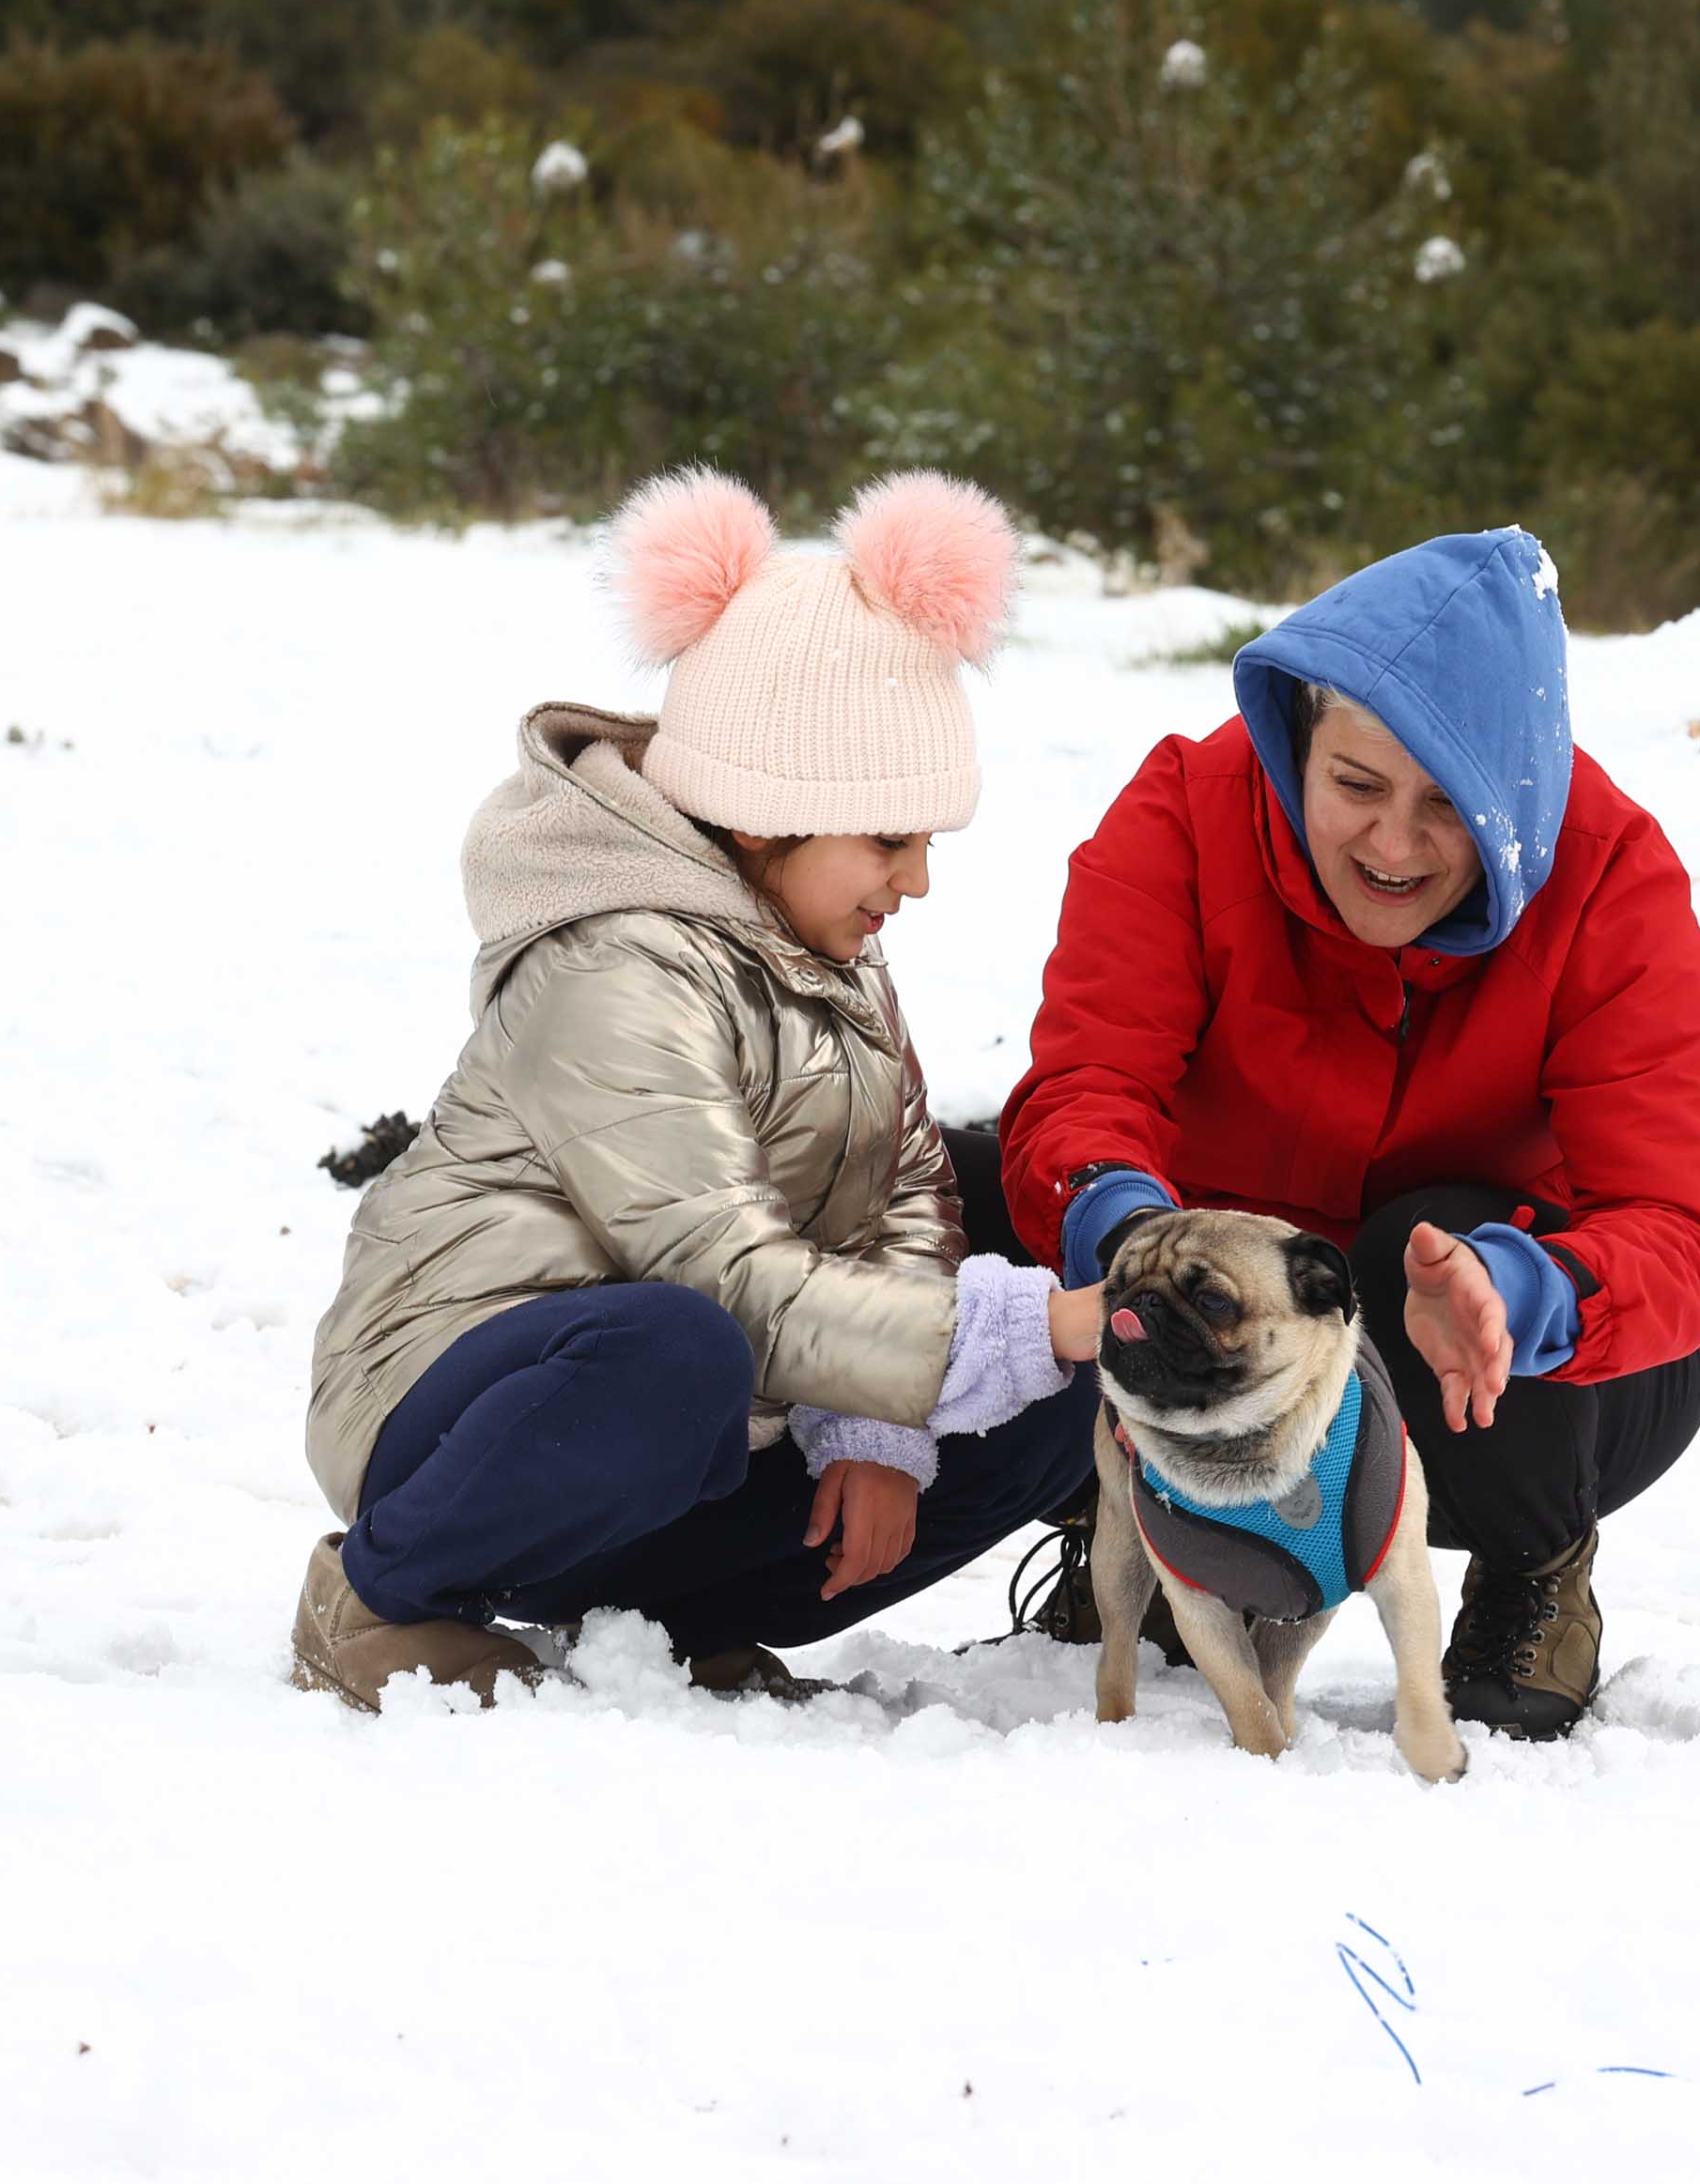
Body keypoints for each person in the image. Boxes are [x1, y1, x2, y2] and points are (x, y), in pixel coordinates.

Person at [289, 467, 1103, 1710]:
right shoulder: (612, 962)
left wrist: (880, 1430)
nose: (918, 882)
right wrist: (1022, 1328)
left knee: (1038, 1398)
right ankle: (378, 1595)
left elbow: (905, 1194)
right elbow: (719, 1273)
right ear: (770, 815)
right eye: (890, 840)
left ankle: (673, 1630)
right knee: (683, 1348)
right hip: (466, 1408)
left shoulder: (825, 945)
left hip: (693, 1430)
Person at [999, 525, 1700, 1740]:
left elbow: (1683, 1227)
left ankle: (1535, 1565)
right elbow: (1089, 1082)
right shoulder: (1186, 810)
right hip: (1218, 1316)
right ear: (1298, 735)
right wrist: (1132, 1239)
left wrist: (1528, 1290)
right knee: (977, 1189)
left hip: (1502, 1381)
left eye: (1449, 804)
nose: (1394, 847)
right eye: (1356, 786)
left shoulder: (1612, 875)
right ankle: (1147, 1523)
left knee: (1431, 1245)